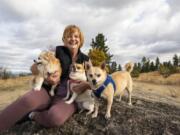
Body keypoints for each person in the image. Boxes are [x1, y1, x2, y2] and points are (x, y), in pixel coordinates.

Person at [0, 25, 90, 132]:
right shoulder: (56, 50)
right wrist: (47, 77)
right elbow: (33, 68)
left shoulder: (86, 59)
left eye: (76, 36)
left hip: (68, 97)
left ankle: (34, 116)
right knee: (27, 101)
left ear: (81, 39)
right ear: (64, 39)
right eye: (69, 36)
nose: (73, 39)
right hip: (47, 91)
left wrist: (85, 85)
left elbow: (93, 81)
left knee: (55, 117)